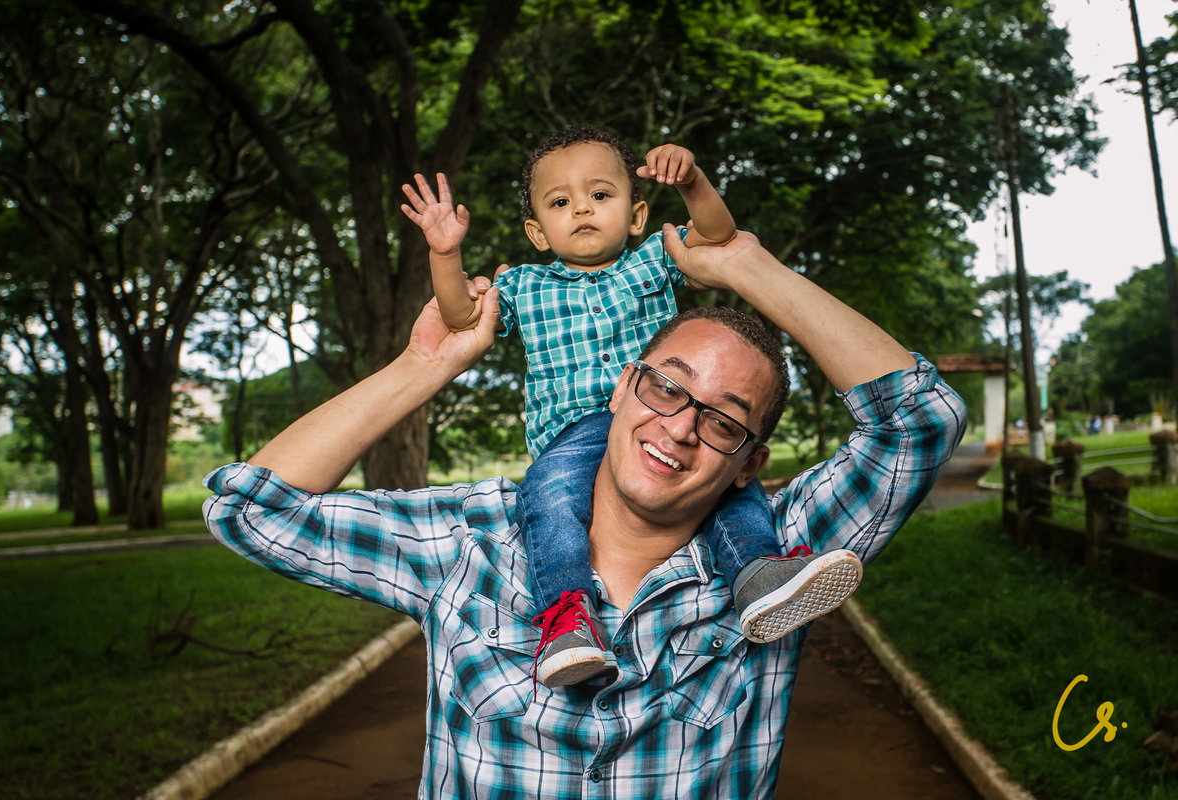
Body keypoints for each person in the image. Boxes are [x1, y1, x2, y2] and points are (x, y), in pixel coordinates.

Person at [203, 227, 966, 799]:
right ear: (619, 388)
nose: (679, 428)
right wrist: (425, 366)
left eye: (725, 420)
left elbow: (921, 421)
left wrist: (740, 263)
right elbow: (249, 509)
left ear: (750, 464)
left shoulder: (783, 566)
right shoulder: (471, 541)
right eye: (667, 387)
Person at [399, 126, 862, 687]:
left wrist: (691, 181)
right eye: (560, 202)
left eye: (600, 195)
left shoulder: (650, 261)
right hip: (573, 435)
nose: (582, 210)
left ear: (637, 215)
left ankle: (759, 575)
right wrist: (445, 254)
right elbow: (461, 319)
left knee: (724, 488)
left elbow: (717, 238)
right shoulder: (522, 285)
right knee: (547, 502)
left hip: (659, 416)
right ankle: (567, 620)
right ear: (537, 232)